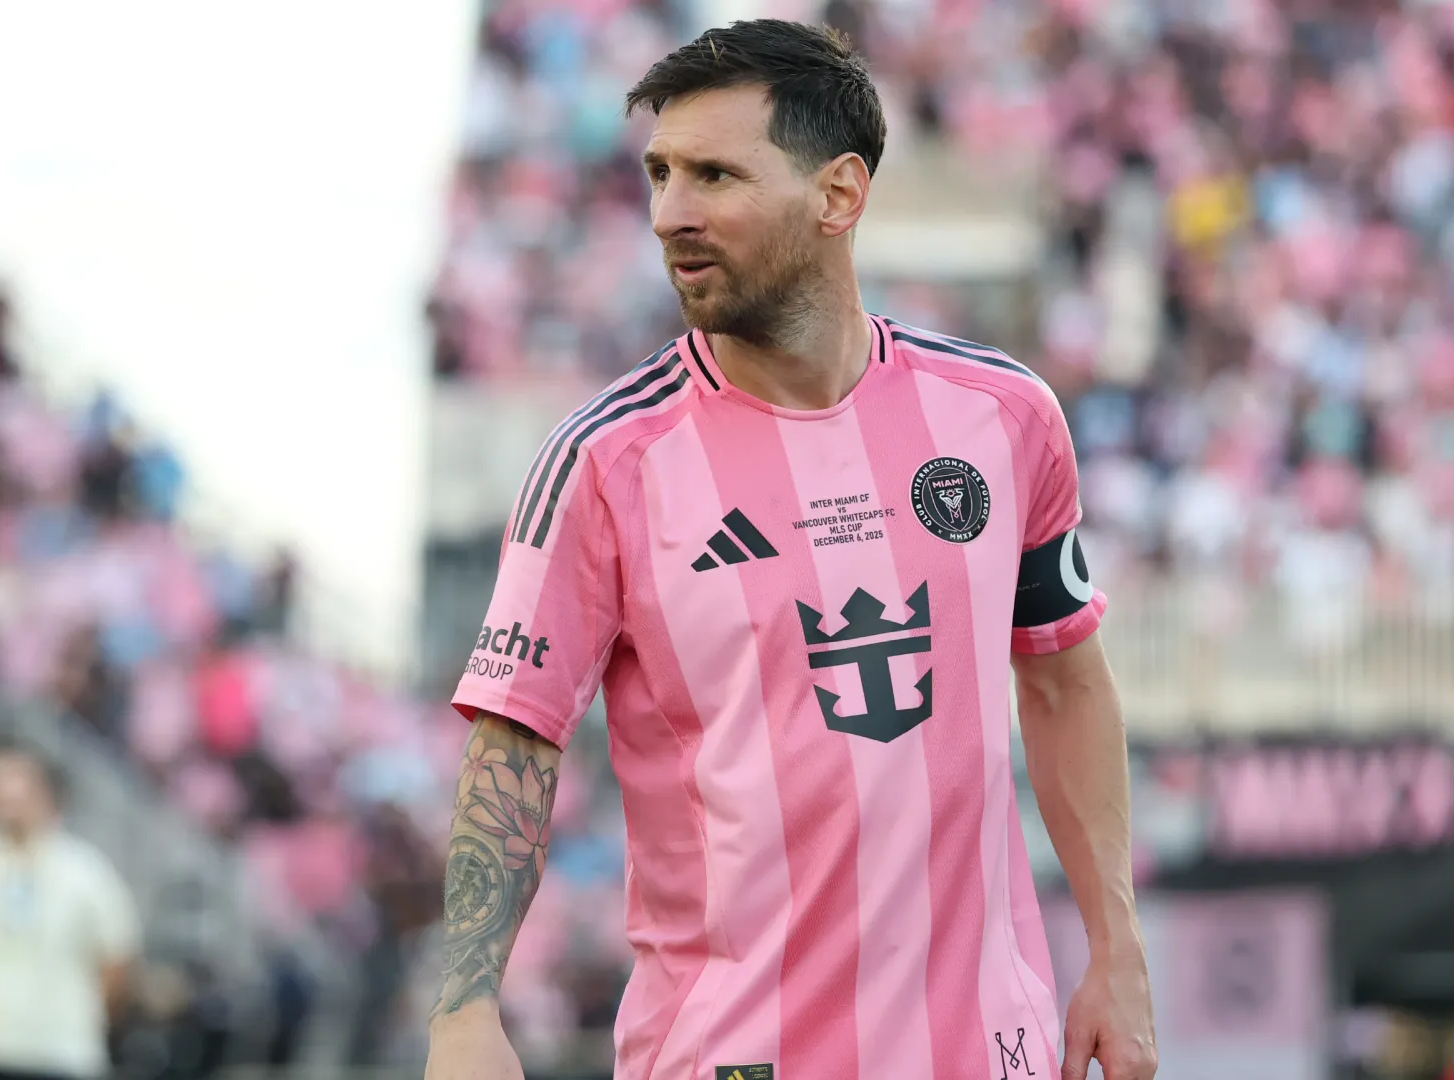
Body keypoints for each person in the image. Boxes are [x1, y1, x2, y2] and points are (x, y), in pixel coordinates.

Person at [424, 20, 1157, 1080]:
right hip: (731, 1057)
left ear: (839, 195)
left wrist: (1116, 947)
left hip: (987, 1051)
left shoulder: (1003, 417)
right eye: (661, 174)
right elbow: (515, 746)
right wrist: (463, 1012)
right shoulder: (603, 463)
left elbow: (1063, 681)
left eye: (716, 174)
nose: (672, 213)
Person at [0, 744, 138, 1080]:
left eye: (20, 793)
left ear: (46, 795)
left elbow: (116, 961)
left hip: (63, 1052)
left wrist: (86, 1018)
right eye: (0, 794)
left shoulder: (85, 873)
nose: (11, 806)